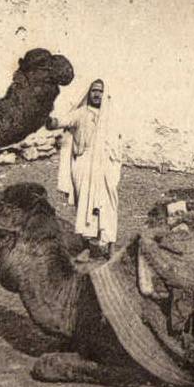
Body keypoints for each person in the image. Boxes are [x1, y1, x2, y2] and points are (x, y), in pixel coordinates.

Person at [47, 79, 122, 258]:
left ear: (105, 94)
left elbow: (118, 144)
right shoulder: (81, 113)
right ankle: (87, 247)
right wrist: (45, 118)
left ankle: (111, 247)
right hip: (84, 165)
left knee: (108, 205)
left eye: (100, 91)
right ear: (89, 93)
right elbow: (61, 122)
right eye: (94, 91)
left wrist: (113, 166)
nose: (97, 94)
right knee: (85, 205)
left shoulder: (112, 116)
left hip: (105, 166)